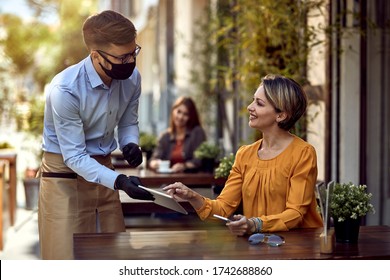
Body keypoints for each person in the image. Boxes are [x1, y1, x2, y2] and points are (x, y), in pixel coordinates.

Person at [38, 10, 154, 260]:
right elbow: (75, 156)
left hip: (104, 169)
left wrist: (130, 142)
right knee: (66, 261)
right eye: (122, 57)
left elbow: (127, 121)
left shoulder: (132, 78)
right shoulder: (65, 89)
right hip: (64, 177)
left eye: (133, 53)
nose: (130, 62)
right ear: (95, 56)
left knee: (114, 255)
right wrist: (120, 181)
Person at [163, 74, 323, 235]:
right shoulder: (245, 154)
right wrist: (192, 196)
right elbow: (223, 208)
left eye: (259, 103)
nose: (249, 107)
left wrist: (256, 224)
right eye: (253, 100)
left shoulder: (303, 153)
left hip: (299, 246)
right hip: (259, 244)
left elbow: (295, 213)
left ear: (281, 115)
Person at [149, 96, 206, 173]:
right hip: (167, 181)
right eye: (179, 111)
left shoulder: (197, 132)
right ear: (173, 111)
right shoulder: (165, 136)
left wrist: (184, 166)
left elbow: (199, 161)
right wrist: (156, 163)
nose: (180, 117)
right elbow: (153, 160)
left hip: (191, 181)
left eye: (186, 114)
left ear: (190, 117)